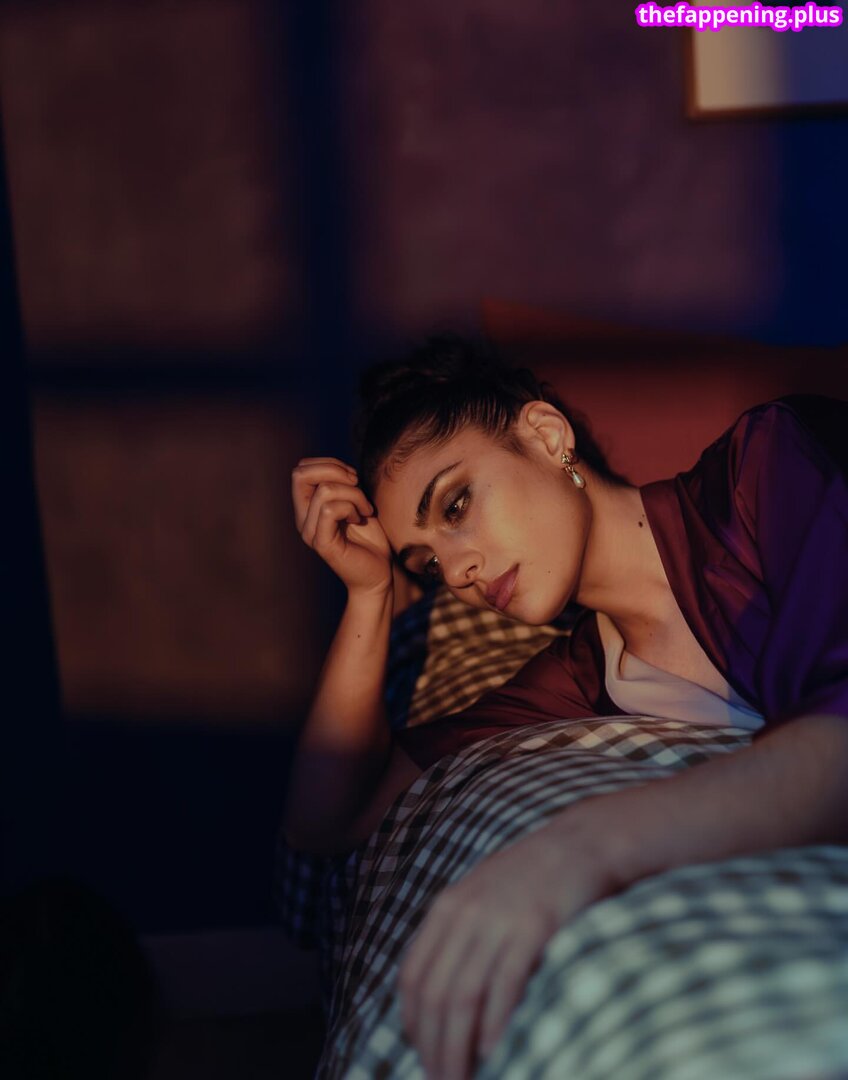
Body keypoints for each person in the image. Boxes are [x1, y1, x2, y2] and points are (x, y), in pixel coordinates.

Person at [283, 335, 848, 1080]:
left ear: (547, 436)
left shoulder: (765, 468)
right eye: (427, 565)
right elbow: (327, 821)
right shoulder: (579, 679)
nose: (458, 569)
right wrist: (370, 593)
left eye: (456, 504)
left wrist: (580, 847)